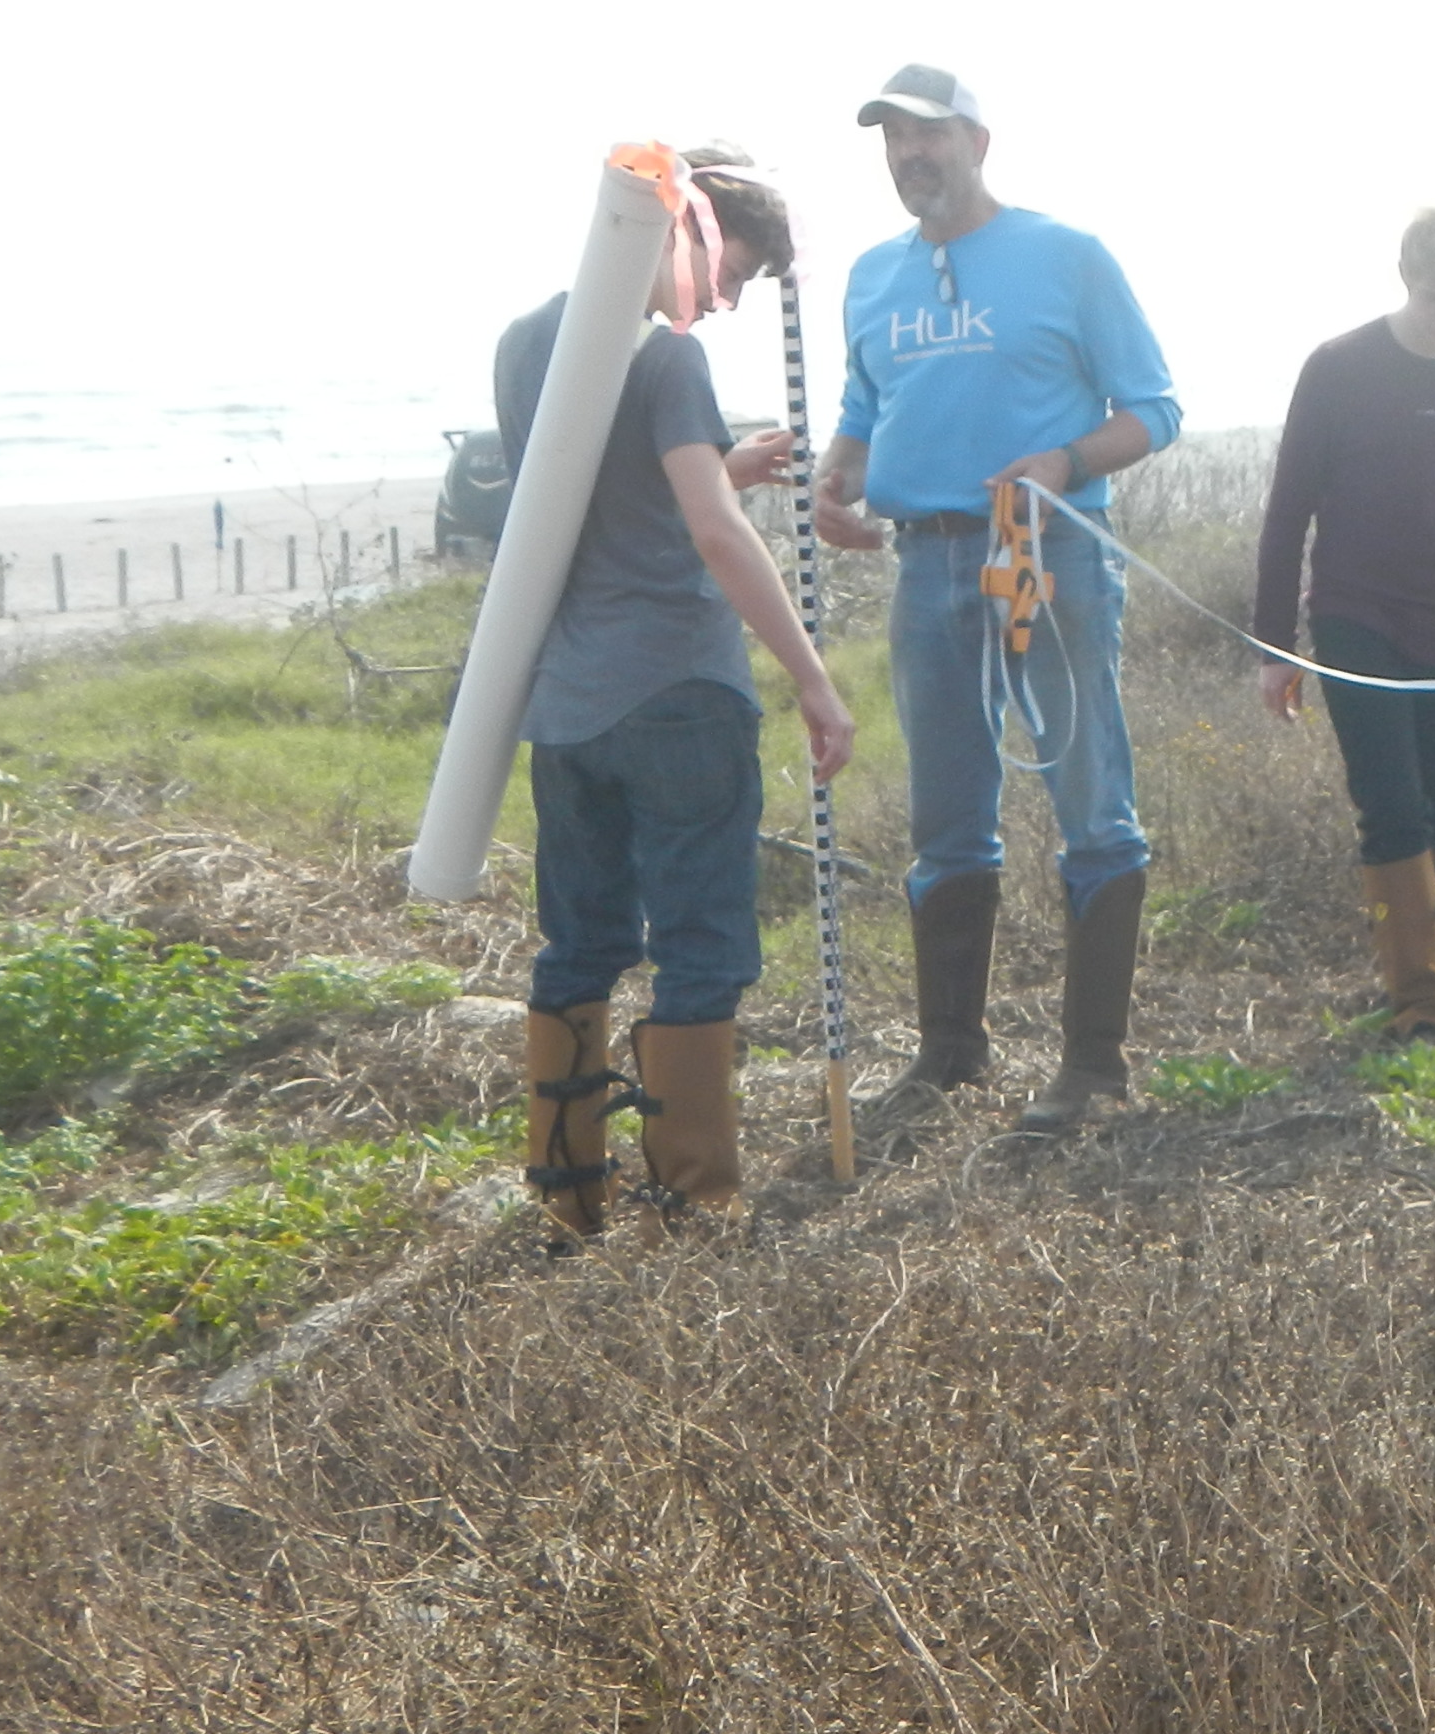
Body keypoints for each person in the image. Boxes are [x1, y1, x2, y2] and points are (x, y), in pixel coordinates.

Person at [816, 65, 1184, 1138]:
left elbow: (1154, 409)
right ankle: (948, 1054)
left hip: (1048, 556)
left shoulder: (1066, 257)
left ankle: (1092, 1066)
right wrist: (839, 475)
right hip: (924, 566)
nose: (908, 155)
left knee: (1088, 801)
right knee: (946, 822)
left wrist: (1063, 463)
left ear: (978, 138)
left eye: (927, 134)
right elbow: (864, 402)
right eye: (891, 139)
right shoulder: (872, 277)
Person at [503, 154, 856, 1234]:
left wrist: (720, 466)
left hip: (566, 707)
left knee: (581, 944)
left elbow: (579, 489)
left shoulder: (524, 344)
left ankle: (569, 1198)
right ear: (681, 233)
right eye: (731, 269)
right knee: (702, 948)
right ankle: (690, 1207)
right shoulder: (669, 364)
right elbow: (710, 534)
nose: (728, 298)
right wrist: (813, 680)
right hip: (680, 694)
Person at [1250, 206, 1435, 1041]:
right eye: (1433, 297)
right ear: (1405, 280)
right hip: (1358, 613)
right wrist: (1274, 647)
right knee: (1391, 805)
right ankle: (1424, 1010)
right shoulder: (1339, 367)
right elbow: (1288, 513)